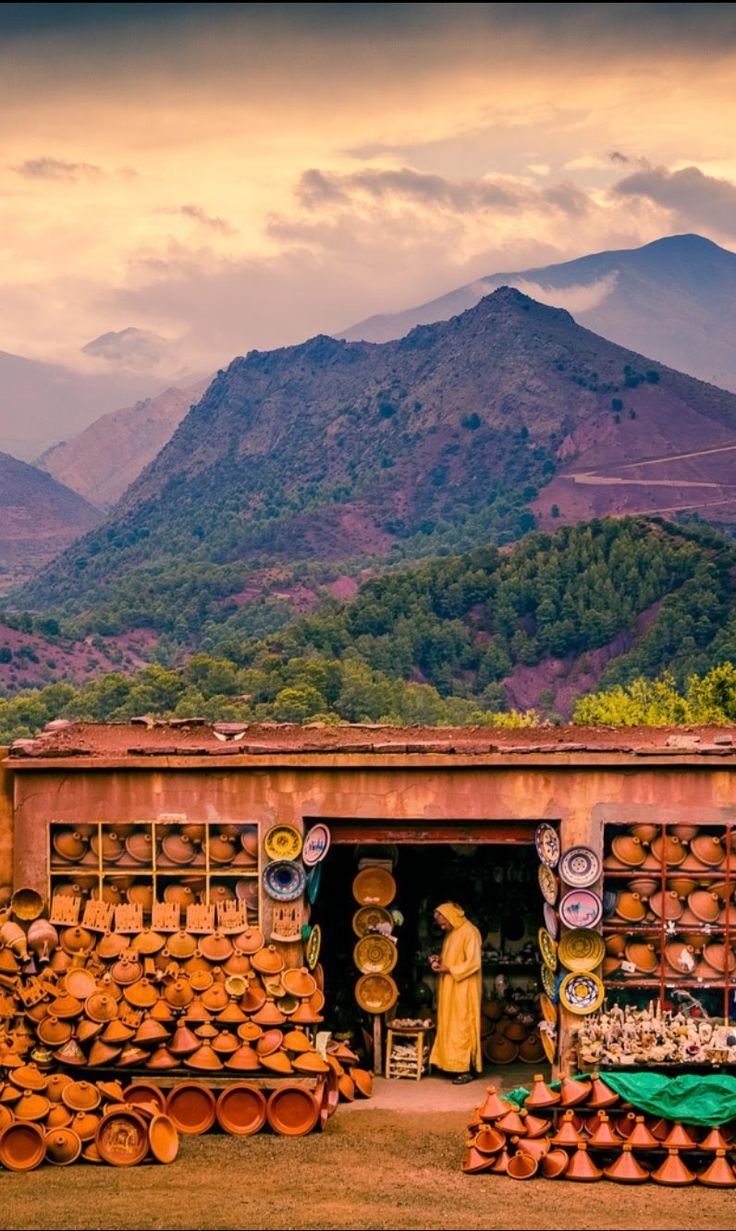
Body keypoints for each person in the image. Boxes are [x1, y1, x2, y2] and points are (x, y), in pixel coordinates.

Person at [428, 901, 482, 1085]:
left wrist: (449, 969)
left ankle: (466, 1069)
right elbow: (453, 957)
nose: (442, 927)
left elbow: (473, 963)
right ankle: (450, 1064)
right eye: (440, 925)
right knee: (450, 1026)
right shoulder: (452, 933)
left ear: (450, 916)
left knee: (462, 1027)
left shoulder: (470, 931)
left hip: (464, 989)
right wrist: (439, 959)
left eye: (444, 923)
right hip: (451, 987)